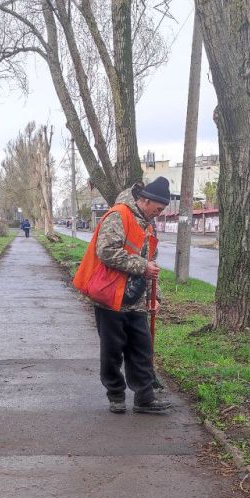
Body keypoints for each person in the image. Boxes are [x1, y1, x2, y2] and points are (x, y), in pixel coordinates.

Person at [73, 177, 172, 415]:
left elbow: (151, 265)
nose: (158, 214)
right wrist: (143, 266)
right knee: (112, 351)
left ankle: (144, 398)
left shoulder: (148, 226)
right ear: (145, 201)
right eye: (158, 209)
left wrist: (154, 297)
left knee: (142, 350)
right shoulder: (118, 215)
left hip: (136, 301)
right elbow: (107, 251)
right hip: (110, 297)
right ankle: (116, 396)